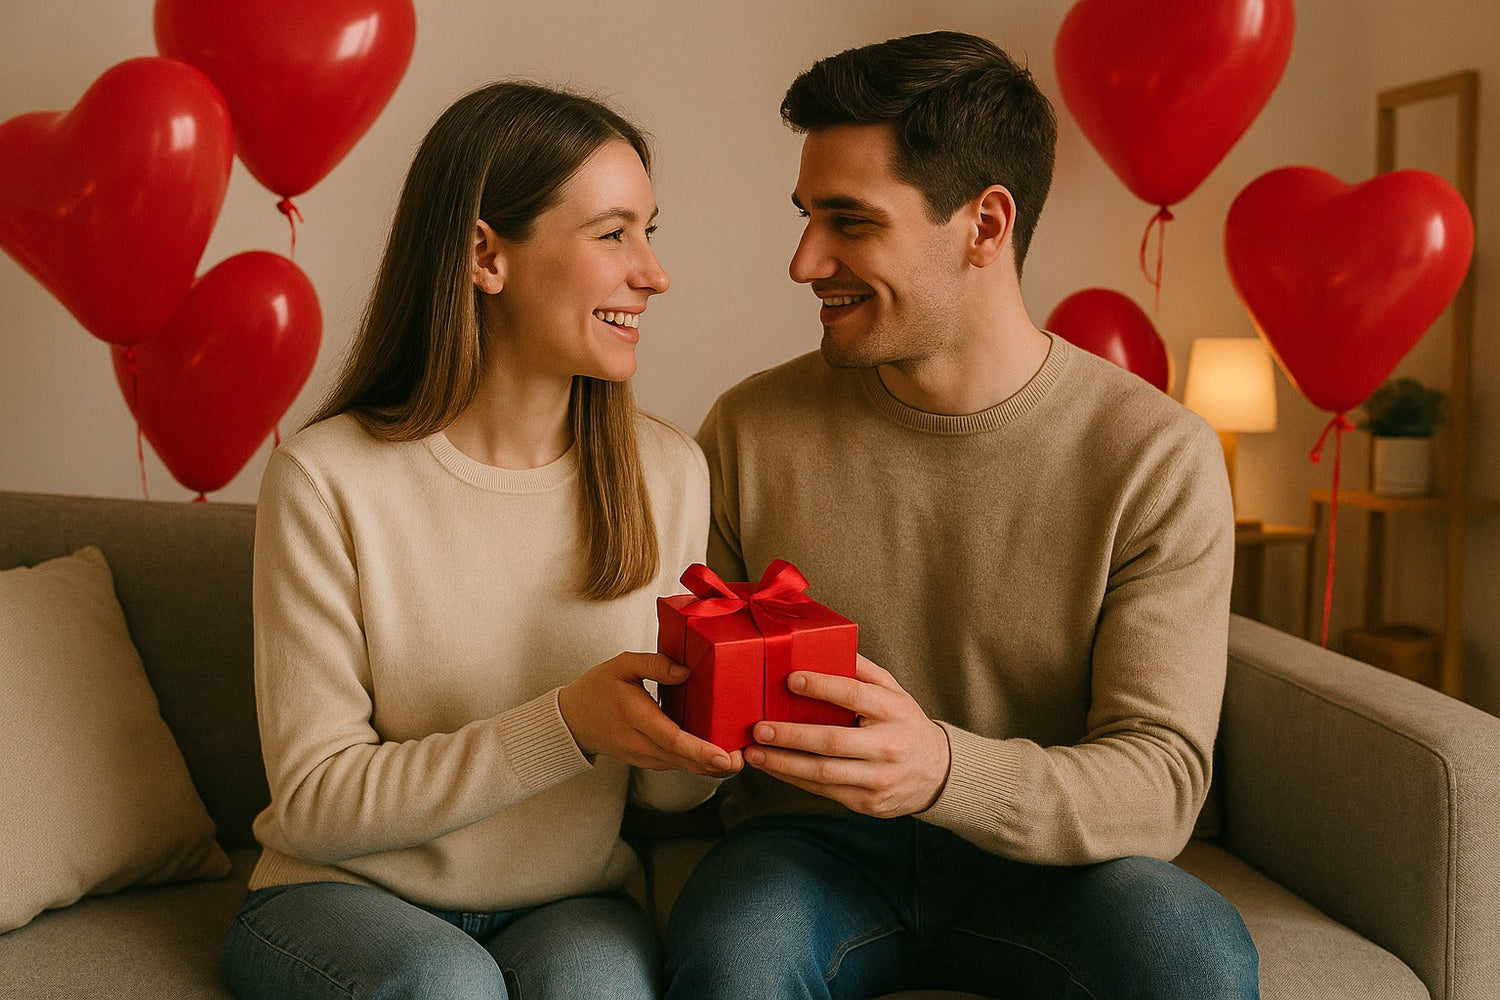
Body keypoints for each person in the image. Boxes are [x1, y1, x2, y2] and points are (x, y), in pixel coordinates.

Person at [662, 31, 1259, 1000]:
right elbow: (690, 731)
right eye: (806, 215)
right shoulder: (750, 425)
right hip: (809, 845)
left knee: (1193, 956)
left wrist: (942, 770)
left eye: (849, 221)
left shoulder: (1156, 453)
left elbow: (1158, 781)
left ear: (985, 225)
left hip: (1052, 862)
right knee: (735, 959)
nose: (805, 260)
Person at [222, 81, 740, 1000]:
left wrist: (711, 735)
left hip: (569, 901)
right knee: (444, 987)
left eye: (651, 232)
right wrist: (568, 724)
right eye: (614, 233)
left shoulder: (668, 472)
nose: (653, 273)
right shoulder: (326, 479)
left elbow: (660, 800)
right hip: (345, 894)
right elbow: (314, 802)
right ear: (483, 255)